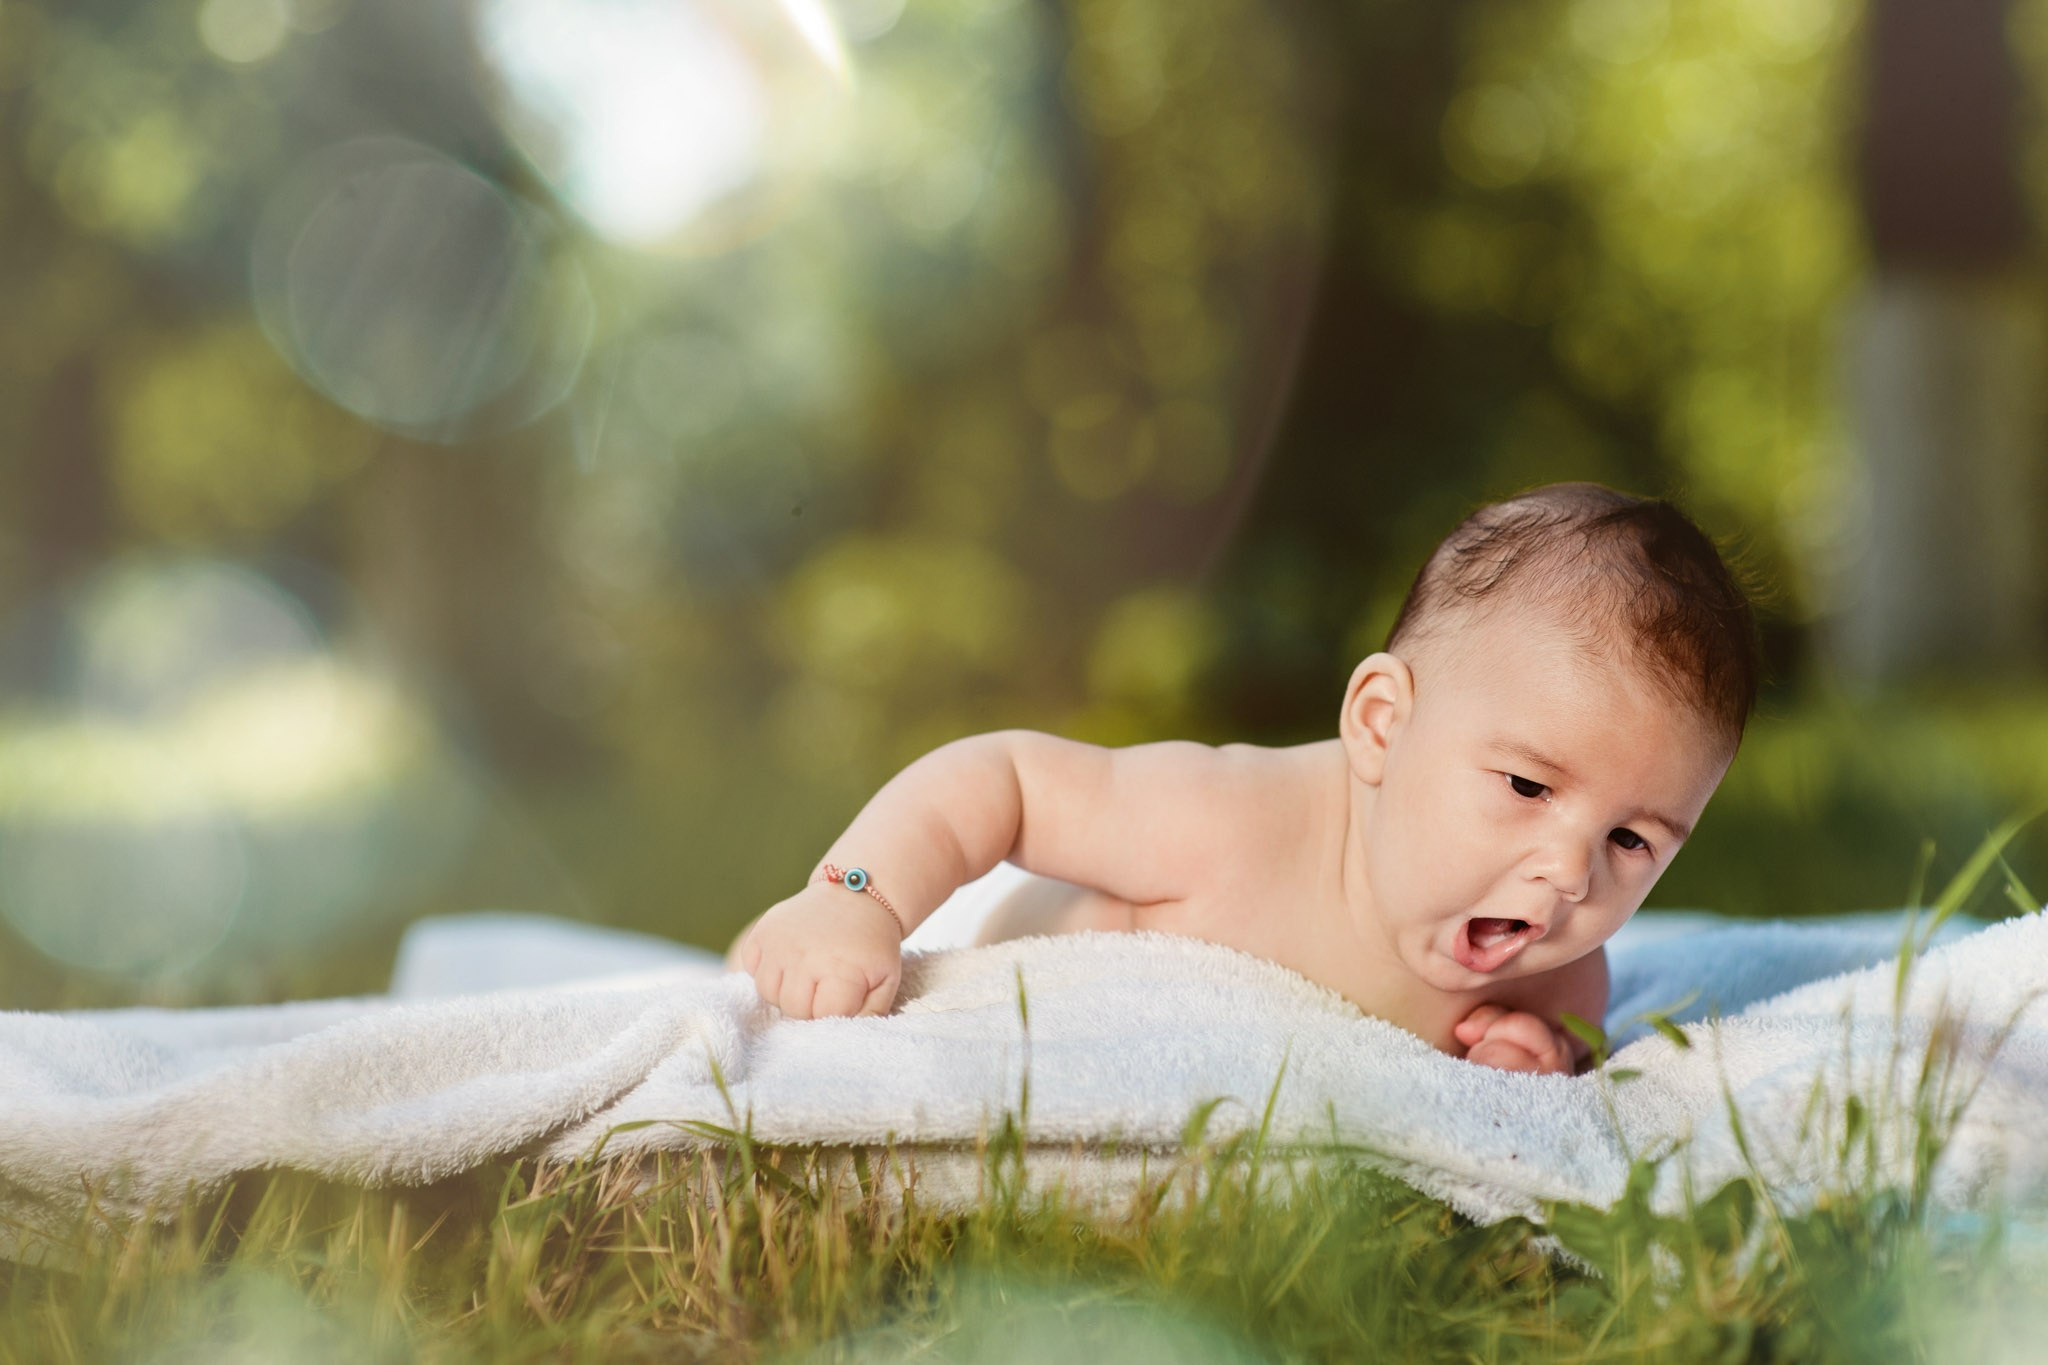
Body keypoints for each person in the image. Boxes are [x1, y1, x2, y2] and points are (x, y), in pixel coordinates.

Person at [725, 482, 1759, 1074]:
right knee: (821, 970)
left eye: (1632, 841)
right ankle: (791, 931)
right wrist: (857, 899)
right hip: (988, 924)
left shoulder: (1557, 976)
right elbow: (1001, 779)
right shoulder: (1220, 821)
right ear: (1381, 725)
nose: (1570, 873)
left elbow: (1569, 1050)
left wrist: (1537, 1055)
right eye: (1527, 789)